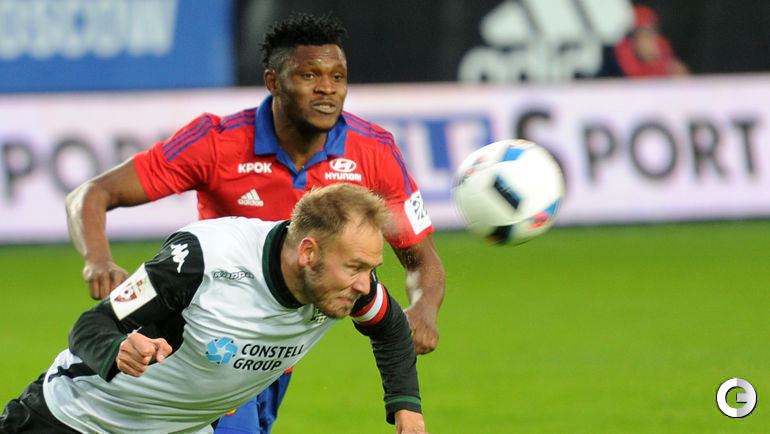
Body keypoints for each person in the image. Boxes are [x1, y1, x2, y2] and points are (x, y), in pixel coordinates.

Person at [64, 12, 445, 434]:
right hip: (209, 338)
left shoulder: (374, 151)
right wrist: (97, 260)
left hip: (279, 352)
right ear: (273, 82)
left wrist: (423, 308)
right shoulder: (217, 142)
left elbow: (421, 258)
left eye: (338, 77)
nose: (327, 89)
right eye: (309, 75)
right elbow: (92, 194)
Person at [1, 184, 427, 433]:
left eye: (370, 269)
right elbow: (92, 325)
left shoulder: (351, 288)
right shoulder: (205, 258)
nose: (365, 284)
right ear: (308, 253)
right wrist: (118, 349)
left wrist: (406, 409)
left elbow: (391, 329)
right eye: (355, 267)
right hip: (78, 418)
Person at [599, 4, 690, 78]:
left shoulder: (661, 45)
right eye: (643, 34)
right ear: (633, 37)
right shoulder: (619, 52)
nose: (650, 40)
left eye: (651, 33)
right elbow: (636, 78)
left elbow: (677, 71)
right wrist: (655, 65)